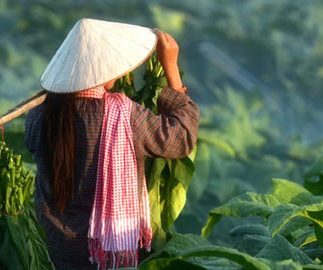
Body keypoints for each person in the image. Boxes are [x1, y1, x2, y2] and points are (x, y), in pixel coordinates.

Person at [25, 18, 199, 270]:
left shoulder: (39, 114)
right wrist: (170, 67)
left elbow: (34, 147)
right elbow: (182, 138)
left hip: (52, 248)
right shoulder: (123, 116)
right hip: (106, 255)